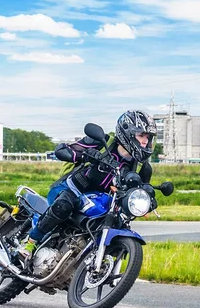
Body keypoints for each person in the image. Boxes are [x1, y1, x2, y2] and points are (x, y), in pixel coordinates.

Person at [18, 110, 158, 259]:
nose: (145, 141)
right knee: (64, 206)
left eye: (148, 137)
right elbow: (61, 150)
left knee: (118, 224)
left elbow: (139, 193)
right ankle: (30, 242)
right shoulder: (102, 143)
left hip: (100, 205)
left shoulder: (143, 168)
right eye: (141, 135)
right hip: (71, 190)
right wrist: (84, 155)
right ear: (127, 132)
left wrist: (149, 198)